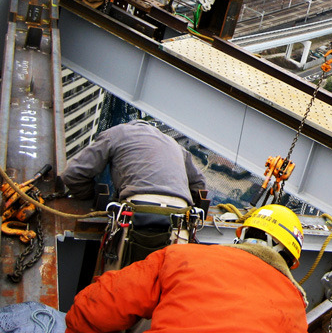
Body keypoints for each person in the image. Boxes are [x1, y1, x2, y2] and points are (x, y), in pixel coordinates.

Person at [64, 205, 308, 333]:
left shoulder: (183, 256)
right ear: (291, 262)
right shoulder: (297, 313)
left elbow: (97, 307)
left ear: (242, 234)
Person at [60, 119, 206, 209]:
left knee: (124, 256)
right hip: (180, 213)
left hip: (138, 207)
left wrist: (90, 199)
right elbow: (199, 183)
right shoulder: (174, 144)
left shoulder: (116, 133)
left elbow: (73, 174)